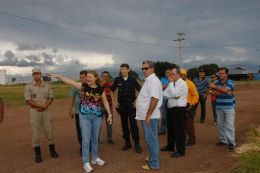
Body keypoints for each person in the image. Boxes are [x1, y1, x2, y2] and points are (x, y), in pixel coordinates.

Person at [48, 70, 113, 172]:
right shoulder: (83, 86)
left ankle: (95, 158)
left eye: (90, 77)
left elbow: (105, 102)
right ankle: (86, 162)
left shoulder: (101, 89)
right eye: (87, 77)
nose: (87, 79)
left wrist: (109, 114)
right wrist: (58, 76)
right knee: (86, 140)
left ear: (96, 78)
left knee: (95, 139)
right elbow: (69, 81)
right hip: (85, 117)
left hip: (97, 117)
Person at [24, 68, 58, 163]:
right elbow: (28, 101)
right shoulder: (29, 87)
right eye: (34, 74)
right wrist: (39, 106)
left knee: (49, 130)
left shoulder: (47, 86)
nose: (36, 75)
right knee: (36, 131)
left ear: (41, 74)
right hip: (35, 111)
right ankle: (38, 155)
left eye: (38, 74)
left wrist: (45, 106)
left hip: (46, 110)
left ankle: (52, 151)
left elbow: (51, 97)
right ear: (32, 75)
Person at [136, 61, 163, 170]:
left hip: (149, 116)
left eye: (146, 68)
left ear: (152, 69)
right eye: (142, 68)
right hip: (146, 115)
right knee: (150, 139)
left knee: (152, 140)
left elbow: (155, 99)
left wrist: (148, 115)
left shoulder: (154, 81)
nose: (143, 70)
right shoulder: (149, 80)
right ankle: (153, 157)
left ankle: (154, 164)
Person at [110, 63, 142, 153]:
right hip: (121, 106)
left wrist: (136, 101)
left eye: (124, 69)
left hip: (131, 105)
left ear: (128, 70)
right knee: (124, 124)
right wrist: (114, 102)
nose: (122, 71)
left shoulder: (133, 79)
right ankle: (127, 143)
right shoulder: (117, 80)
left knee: (133, 125)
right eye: (121, 69)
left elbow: (140, 90)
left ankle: (137, 144)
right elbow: (111, 90)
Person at [162, 67, 188, 158]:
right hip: (170, 109)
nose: (170, 76)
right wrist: (172, 93)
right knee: (171, 129)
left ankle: (181, 151)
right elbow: (165, 94)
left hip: (179, 109)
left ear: (178, 74)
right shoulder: (172, 84)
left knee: (179, 131)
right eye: (170, 74)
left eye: (172, 74)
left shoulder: (182, 84)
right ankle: (170, 146)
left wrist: (171, 87)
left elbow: (176, 95)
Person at [208, 67, 236, 151]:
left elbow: (225, 89)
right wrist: (224, 91)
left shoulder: (230, 81)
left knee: (229, 125)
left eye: (222, 73)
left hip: (229, 107)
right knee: (220, 124)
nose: (220, 74)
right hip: (219, 106)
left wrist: (216, 88)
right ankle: (223, 140)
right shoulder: (217, 82)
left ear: (226, 74)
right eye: (219, 73)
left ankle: (231, 142)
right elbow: (211, 91)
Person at [69, 70, 88, 154]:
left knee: (89, 129)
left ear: (87, 77)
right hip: (78, 112)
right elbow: (71, 99)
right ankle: (83, 147)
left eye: (83, 77)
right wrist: (70, 110)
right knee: (80, 130)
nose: (81, 79)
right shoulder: (75, 86)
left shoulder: (91, 86)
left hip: (89, 112)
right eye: (80, 77)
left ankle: (90, 144)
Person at [180, 69, 199, 146]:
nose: (181, 76)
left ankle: (192, 140)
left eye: (182, 75)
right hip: (181, 105)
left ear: (186, 75)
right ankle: (184, 139)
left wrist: (191, 105)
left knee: (189, 124)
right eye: (180, 75)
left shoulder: (190, 84)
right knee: (182, 124)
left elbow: (196, 95)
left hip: (189, 106)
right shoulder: (179, 84)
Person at [100, 71, 115, 145]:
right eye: (104, 76)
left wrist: (114, 103)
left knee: (109, 123)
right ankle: (96, 138)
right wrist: (101, 84)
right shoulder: (98, 84)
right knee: (98, 123)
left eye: (107, 76)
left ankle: (110, 138)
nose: (105, 77)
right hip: (99, 106)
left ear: (109, 77)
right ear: (101, 76)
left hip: (109, 106)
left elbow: (112, 94)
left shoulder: (111, 84)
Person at [158, 68, 171, 135]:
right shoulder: (162, 79)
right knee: (163, 115)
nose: (167, 73)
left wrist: (165, 86)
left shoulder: (172, 79)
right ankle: (163, 130)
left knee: (171, 115)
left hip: (171, 99)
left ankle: (171, 129)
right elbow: (161, 87)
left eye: (168, 72)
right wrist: (169, 85)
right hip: (164, 99)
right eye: (166, 72)